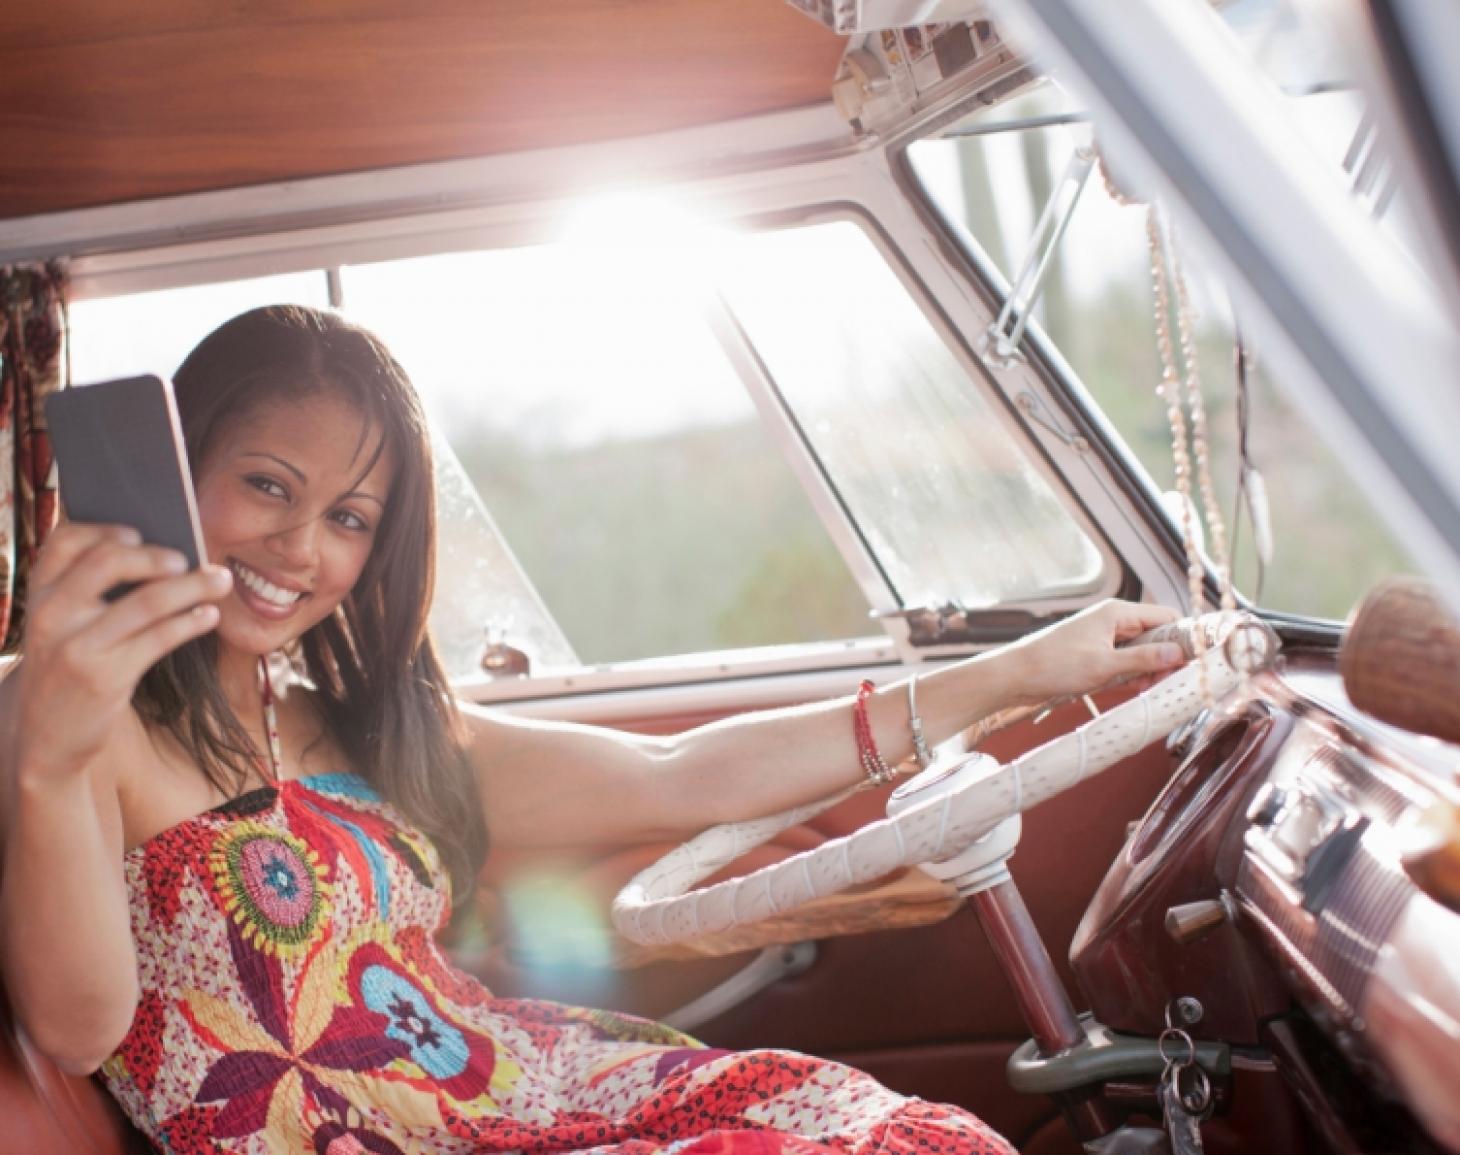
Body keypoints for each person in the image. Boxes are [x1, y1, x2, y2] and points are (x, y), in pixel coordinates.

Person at [0, 306, 1183, 1155]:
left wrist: (1015, 672)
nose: (303, 551)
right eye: (264, 486)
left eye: (349, 518)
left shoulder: (351, 726)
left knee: (891, 1133)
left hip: (520, 1087)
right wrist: (48, 750)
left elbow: (680, 770)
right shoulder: (70, 719)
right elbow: (79, 1022)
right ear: (172, 464)